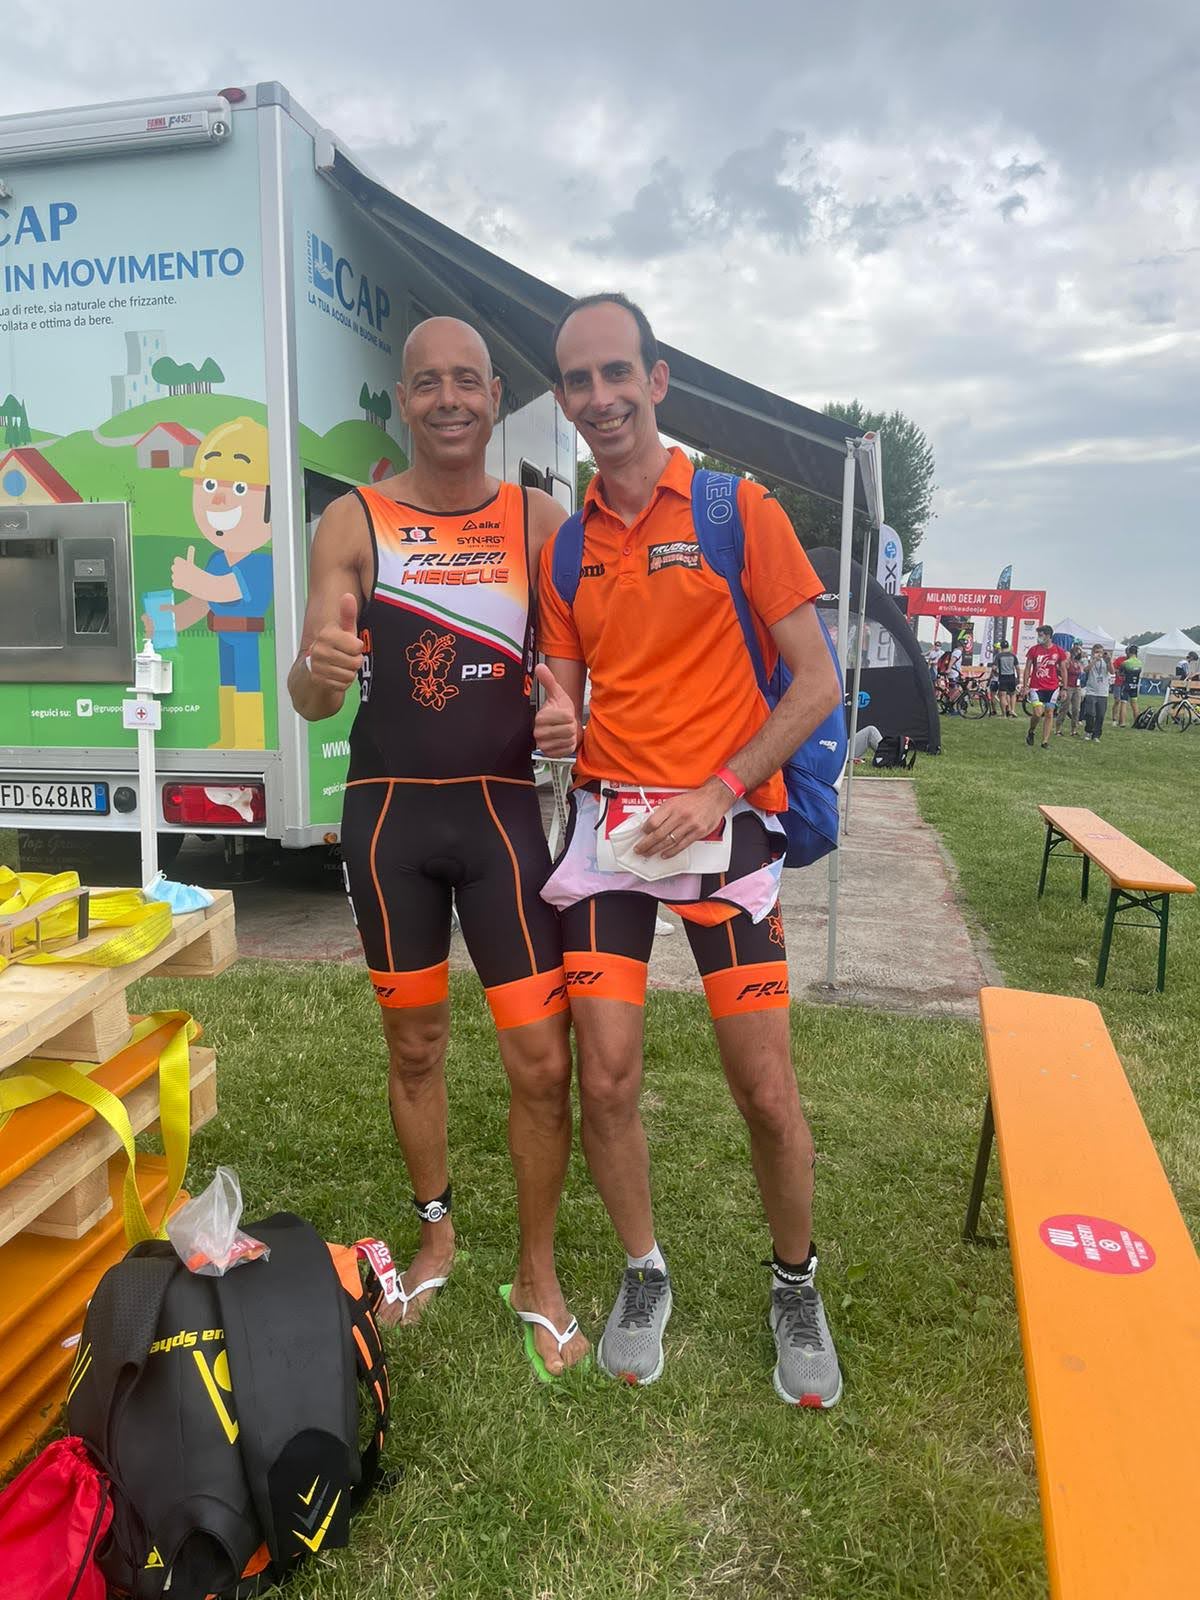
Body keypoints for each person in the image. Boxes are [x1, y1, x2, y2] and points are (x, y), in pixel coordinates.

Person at [534, 291, 845, 1407]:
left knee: (763, 1088)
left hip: (727, 834)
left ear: (656, 380)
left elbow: (817, 682)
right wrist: (554, 718)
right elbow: (564, 694)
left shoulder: (734, 508)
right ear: (564, 398)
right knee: (607, 1076)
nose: (601, 397)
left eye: (618, 372)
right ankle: (644, 1271)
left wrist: (718, 789)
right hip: (613, 842)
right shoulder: (570, 545)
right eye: (579, 380)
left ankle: (795, 1282)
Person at [288, 317, 588, 1375]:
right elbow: (311, 692)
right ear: (403, 399)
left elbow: (575, 671)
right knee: (414, 1048)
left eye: (467, 381)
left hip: (504, 821)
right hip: (389, 825)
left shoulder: (541, 519)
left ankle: (538, 1271)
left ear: (496, 396)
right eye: (428, 383)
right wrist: (319, 670)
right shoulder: (353, 519)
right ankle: (436, 1235)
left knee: (541, 1060)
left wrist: (570, 713)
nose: (449, 399)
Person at [1022, 624, 1067, 748]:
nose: (1039, 637)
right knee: (1038, 713)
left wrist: (1064, 688)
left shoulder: (1058, 651)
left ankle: (1045, 741)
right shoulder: (1034, 650)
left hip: (1052, 687)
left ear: (1048, 636)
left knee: (1049, 712)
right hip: (1036, 687)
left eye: (1041, 635)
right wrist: (1025, 686)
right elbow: (1027, 668)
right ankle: (1031, 731)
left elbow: (1063, 670)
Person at [1081, 644, 1110, 740]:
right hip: (1091, 691)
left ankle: (1096, 735)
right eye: (1097, 652)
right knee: (1090, 713)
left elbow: (1112, 671)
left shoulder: (1105, 661)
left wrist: (1109, 661)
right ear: (1093, 652)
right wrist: (1094, 660)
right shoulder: (1088, 660)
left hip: (1103, 692)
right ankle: (1088, 731)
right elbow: (1086, 670)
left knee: (1100, 715)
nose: (1099, 654)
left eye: (1101, 652)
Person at [1058, 644, 1086, 735]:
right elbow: (1061, 671)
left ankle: (1074, 729)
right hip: (1068, 687)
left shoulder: (1079, 663)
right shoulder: (1068, 662)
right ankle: (1058, 728)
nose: (1080, 654)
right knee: (1064, 708)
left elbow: (1082, 673)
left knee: (1076, 709)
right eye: (1078, 652)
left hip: (1077, 687)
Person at [1115, 646, 1142, 726]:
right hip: (1135, 685)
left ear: (1129, 652)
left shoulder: (1125, 663)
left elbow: (1120, 673)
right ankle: (1137, 722)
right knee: (1134, 703)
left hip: (1126, 684)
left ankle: (1122, 722)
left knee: (1124, 702)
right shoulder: (1140, 663)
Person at [993, 637, 1019, 716]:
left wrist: (995, 674)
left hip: (1003, 677)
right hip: (1011, 676)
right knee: (1013, 694)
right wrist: (1018, 677)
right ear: (1008, 647)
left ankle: (1004, 714)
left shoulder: (999, 656)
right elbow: (1017, 668)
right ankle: (1012, 710)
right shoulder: (1013, 656)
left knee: (1002, 696)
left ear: (1001, 647)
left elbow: (994, 668)